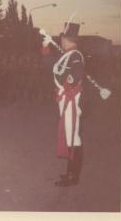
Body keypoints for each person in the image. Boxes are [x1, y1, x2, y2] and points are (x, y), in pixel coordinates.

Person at [41, 22, 85, 187]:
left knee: (73, 137)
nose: (61, 41)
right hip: (65, 98)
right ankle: (71, 173)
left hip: (71, 99)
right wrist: (46, 46)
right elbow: (52, 67)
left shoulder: (75, 56)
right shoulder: (67, 54)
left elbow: (75, 75)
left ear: (68, 39)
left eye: (63, 38)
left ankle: (73, 176)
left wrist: (66, 89)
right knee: (70, 136)